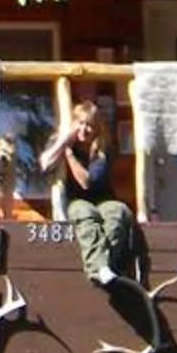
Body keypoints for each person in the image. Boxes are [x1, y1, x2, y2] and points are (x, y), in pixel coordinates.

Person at [40, 99, 137, 288]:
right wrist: (64, 143)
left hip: (103, 200)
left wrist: (69, 156)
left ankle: (105, 266)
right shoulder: (61, 141)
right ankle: (98, 269)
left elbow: (87, 182)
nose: (85, 129)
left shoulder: (102, 148)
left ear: (98, 128)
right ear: (73, 124)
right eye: (81, 123)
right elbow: (45, 164)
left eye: (90, 125)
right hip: (76, 201)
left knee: (117, 212)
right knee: (85, 214)